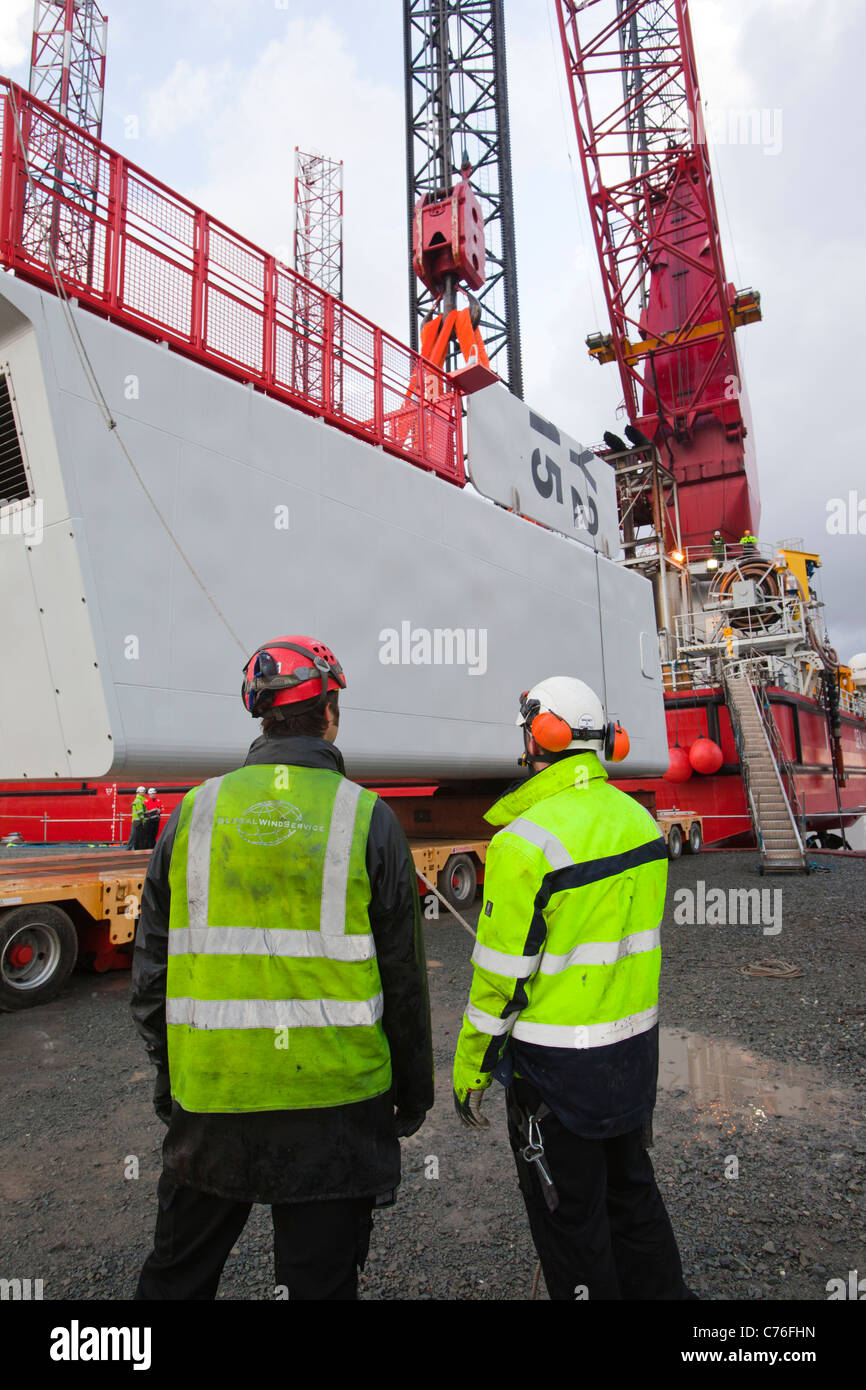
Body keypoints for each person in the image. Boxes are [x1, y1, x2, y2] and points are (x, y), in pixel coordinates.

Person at [130, 634, 433, 1300]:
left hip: (213, 1095)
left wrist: (170, 1075)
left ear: (260, 715)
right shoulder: (368, 819)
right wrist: (413, 1092)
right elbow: (404, 980)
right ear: (329, 711)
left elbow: (152, 970)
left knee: (178, 1277)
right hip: (335, 1104)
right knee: (319, 1284)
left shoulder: (192, 815)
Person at [452, 676, 694, 1300]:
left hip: (556, 1078)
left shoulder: (522, 842)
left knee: (572, 1223)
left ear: (539, 737)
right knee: (633, 1195)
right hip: (633, 1056)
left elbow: (498, 983)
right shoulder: (641, 824)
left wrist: (471, 1072)